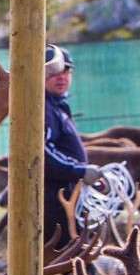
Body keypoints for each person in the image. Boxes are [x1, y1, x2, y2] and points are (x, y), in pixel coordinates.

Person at [43, 43, 102, 247]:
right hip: (54, 202)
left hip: (67, 198)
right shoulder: (42, 107)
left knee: (78, 257)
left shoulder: (57, 106)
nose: (61, 77)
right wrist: (79, 171)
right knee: (71, 258)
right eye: (53, 72)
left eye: (66, 71)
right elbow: (41, 153)